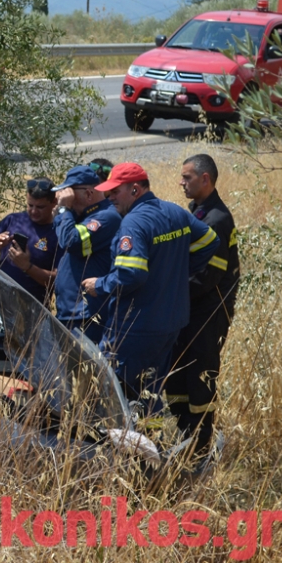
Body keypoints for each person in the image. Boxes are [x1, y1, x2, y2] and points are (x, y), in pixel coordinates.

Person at [80, 163, 219, 400]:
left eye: (115, 191)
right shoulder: (175, 211)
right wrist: (176, 270)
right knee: (149, 391)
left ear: (135, 190)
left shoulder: (133, 224)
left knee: (113, 392)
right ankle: (151, 434)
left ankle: (125, 436)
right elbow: (209, 240)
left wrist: (99, 285)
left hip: (135, 327)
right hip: (171, 323)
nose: (109, 197)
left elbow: (130, 275)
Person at [166, 154, 239, 456]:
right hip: (189, 312)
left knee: (199, 379)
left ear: (205, 179)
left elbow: (208, 277)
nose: (181, 182)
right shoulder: (197, 212)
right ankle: (185, 438)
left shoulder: (217, 220)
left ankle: (201, 446)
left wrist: (167, 293)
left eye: (187, 177)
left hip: (208, 315)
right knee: (178, 376)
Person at [51, 165, 122, 343]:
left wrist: (63, 210)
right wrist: (63, 213)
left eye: (70, 195)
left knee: (85, 369)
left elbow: (70, 242)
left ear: (89, 194)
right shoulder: (83, 216)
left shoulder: (106, 217)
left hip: (87, 314)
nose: (66, 200)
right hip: (71, 312)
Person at [0, 178, 60, 304]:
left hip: (31, 308)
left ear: (54, 202)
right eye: (30, 205)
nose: (33, 211)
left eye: (40, 207)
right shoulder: (13, 220)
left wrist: (27, 266)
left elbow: (57, 281)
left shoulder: (59, 232)